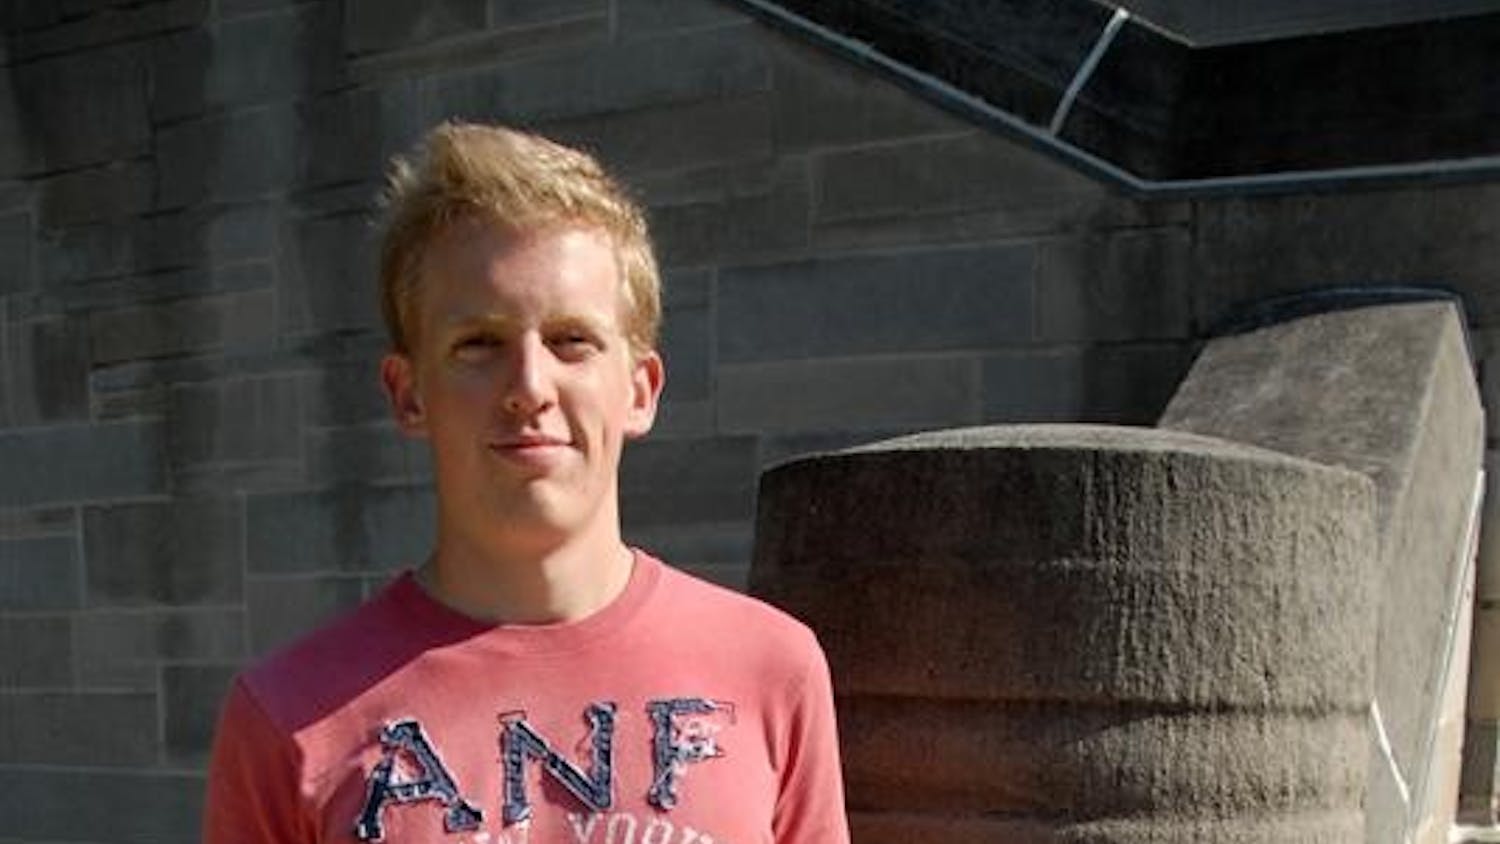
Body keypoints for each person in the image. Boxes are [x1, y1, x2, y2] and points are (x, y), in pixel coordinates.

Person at [202, 122, 849, 844]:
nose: (530, 386)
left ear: (641, 389)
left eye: (572, 340)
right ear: (408, 393)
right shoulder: (287, 717)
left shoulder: (771, 670)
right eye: (479, 345)